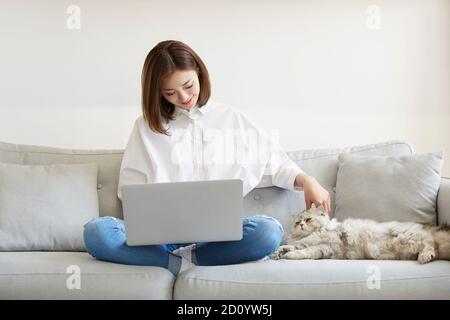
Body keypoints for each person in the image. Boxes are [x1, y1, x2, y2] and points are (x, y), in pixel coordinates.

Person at [83, 40, 331, 275]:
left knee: (268, 232)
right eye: (170, 92)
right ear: (157, 93)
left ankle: (187, 261)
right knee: (96, 233)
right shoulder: (146, 127)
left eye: (188, 85)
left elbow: (274, 163)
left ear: (200, 73)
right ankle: (178, 263)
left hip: (217, 241)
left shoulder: (231, 118)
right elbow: (130, 191)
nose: (183, 97)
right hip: (158, 242)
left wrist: (307, 180)